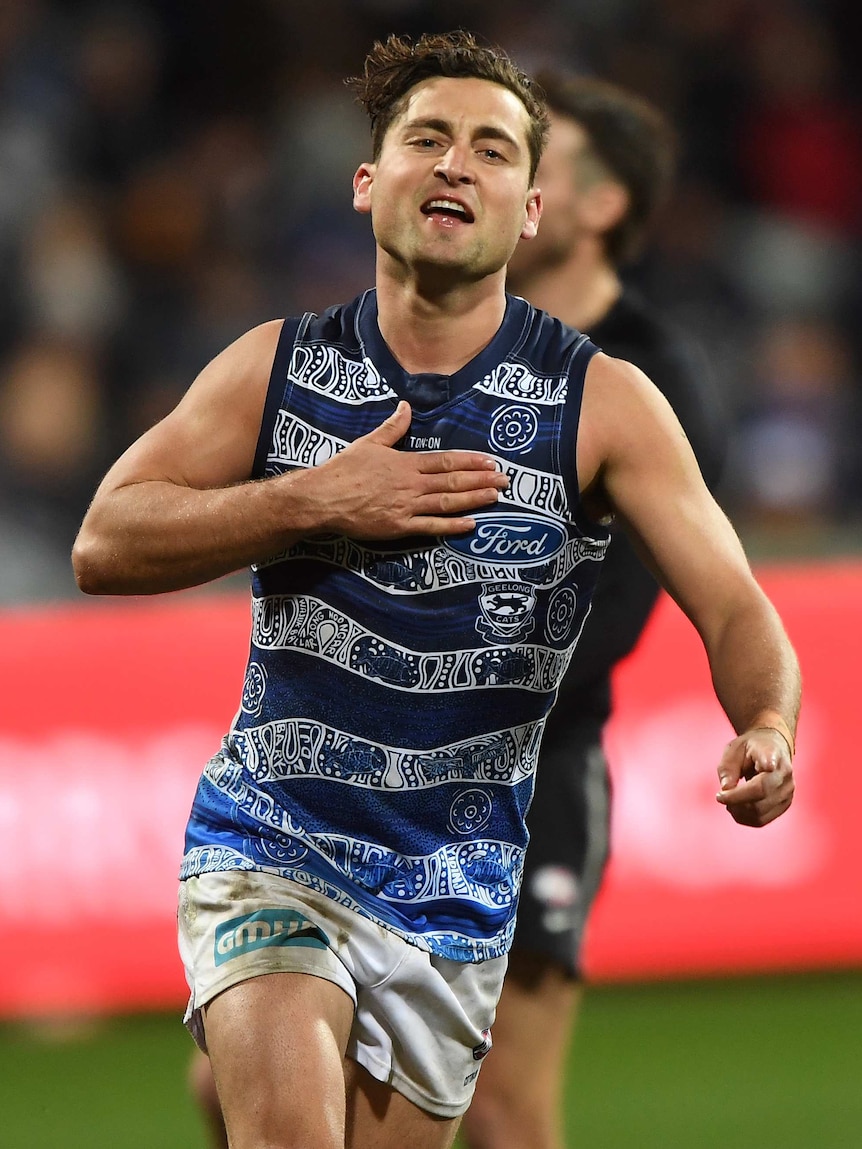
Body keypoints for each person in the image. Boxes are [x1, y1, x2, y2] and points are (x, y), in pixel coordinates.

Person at [72, 30, 799, 1149]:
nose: (456, 164)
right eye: (427, 139)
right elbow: (105, 540)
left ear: (532, 210)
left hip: (455, 886)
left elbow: (735, 602)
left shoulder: (606, 404)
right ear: (369, 184)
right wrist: (312, 500)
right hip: (274, 835)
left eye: (493, 150)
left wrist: (765, 720)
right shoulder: (274, 368)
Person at [461, 74, 730, 1149]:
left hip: (533, 770)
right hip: (370, 766)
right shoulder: (450, 340)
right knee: (236, 1091)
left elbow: (615, 615)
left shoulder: (646, 379)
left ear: (598, 205)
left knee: (503, 1111)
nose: (501, 184)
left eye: (530, 162)